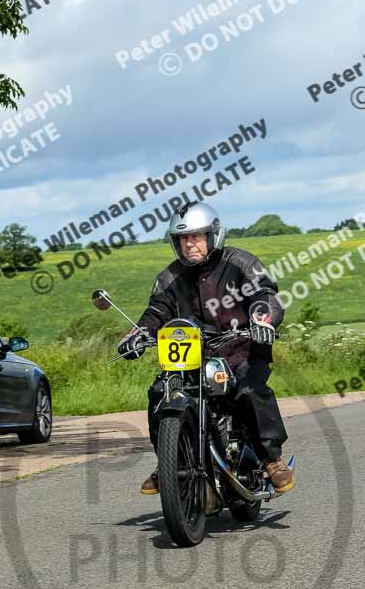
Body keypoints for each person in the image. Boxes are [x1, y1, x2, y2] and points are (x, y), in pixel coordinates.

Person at [117, 202, 294, 496]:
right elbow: (156, 311)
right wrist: (137, 334)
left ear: (213, 235)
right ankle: (170, 462)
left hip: (241, 350)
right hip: (193, 359)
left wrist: (262, 317)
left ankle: (271, 459)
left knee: (249, 390)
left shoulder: (241, 263)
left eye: (196, 237)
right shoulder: (169, 277)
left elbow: (264, 293)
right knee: (160, 394)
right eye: (183, 239)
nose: (189, 244)